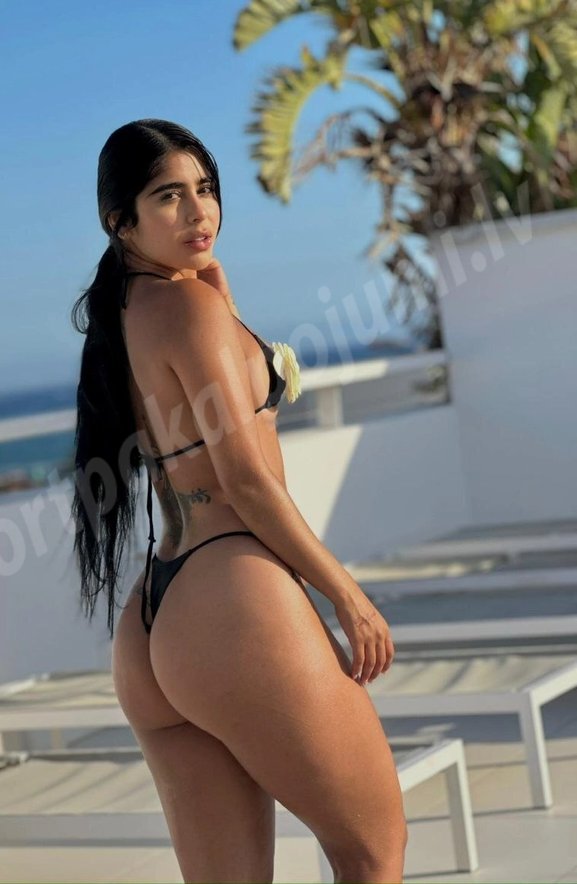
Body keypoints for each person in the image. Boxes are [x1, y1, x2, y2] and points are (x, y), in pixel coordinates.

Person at [71, 118, 407, 883]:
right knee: (374, 852)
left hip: (157, 616)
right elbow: (245, 480)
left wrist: (220, 301)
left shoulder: (130, 312)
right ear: (120, 220)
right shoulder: (187, 309)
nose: (200, 211)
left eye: (206, 189)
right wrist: (346, 594)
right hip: (230, 597)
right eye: (169, 196)